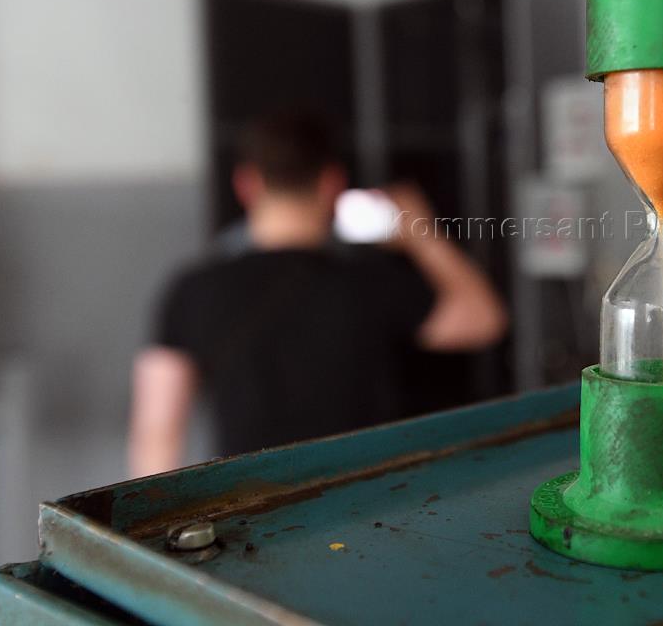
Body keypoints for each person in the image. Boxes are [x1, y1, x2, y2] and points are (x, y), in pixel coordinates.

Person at [128, 113, 508, 477]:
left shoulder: (193, 289)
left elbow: (157, 435)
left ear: (246, 184)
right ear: (332, 183)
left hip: (246, 507)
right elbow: (483, 320)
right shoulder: (368, 282)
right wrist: (421, 234)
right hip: (360, 502)